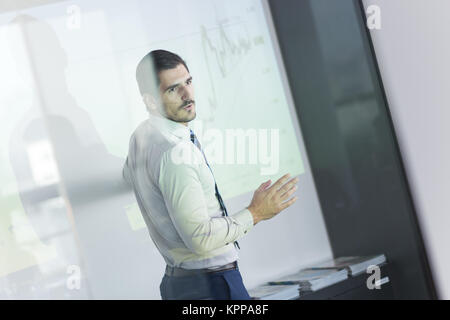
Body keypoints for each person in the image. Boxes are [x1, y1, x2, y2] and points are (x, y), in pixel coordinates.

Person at [123, 49, 299, 300]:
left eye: (189, 82)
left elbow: (128, 175)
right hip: (212, 286)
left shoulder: (141, 135)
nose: (187, 95)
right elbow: (200, 239)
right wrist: (257, 212)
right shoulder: (176, 155)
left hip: (179, 283)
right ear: (151, 101)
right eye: (173, 89)